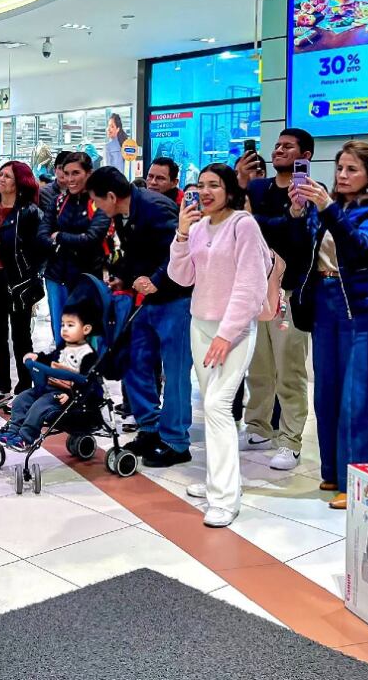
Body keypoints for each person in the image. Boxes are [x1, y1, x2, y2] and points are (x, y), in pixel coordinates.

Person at [290, 141, 368, 509]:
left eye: (352, 169)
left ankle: (361, 482)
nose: (342, 176)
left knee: (358, 397)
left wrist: (327, 208)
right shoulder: (327, 207)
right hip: (324, 301)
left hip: (363, 307)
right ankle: (333, 471)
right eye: (339, 168)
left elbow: (362, 248)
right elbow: (301, 251)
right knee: (327, 394)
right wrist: (297, 212)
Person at [168, 163, 269, 527]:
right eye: (201, 186)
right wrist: (181, 234)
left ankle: (225, 498)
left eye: (214, 185)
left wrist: (227, 334)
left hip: (235, 330)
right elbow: (181, 277)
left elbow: (250, 285)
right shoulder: (196, 228)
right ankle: (218, 480)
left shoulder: (243, 225)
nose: (206, 192)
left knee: (217, 405)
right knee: (213, 410)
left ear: (230, 189)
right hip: (201, 324)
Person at [88, 166, 193, 467]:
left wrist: (157, 280)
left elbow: (180, 250)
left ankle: (176, 441)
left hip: (175, 300)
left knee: (175, 372)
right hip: (144, 300)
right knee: (135, 360)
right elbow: (135, 255)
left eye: (97, 201)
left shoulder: (156, 207)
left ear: (111, 196)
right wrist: (123, 277)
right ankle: (149, 427)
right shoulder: (122, 213)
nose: (96, 207)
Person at [232, 128, 315, 470]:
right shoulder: (256, 187)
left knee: (289, 370)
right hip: (255, 289)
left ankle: (290, 439)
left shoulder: (310, 192)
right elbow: (243, 229)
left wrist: (271, 220)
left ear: (305, 156)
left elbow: (299, 240)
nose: (279, 150)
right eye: (277, 145)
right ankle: (257, 427)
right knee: (258, 366)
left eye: (288, 146)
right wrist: (277, 219)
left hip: (290, 289)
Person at [0, 161, 43, 409]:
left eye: (7, 176)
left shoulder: (28, 211)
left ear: (19, 182)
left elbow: (38, 248)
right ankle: (1, 388)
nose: (1, 179)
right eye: (0, 175)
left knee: (21, 336)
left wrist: (32, 276)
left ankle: (25, 389)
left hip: (18, 279)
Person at [0, 307, 97, 451]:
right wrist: (37, 357)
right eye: (63, 325)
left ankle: (26, 437)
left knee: (39, 406)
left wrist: (69, 394)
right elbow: (49, 358)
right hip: (46, 387)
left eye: (71, 326)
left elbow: (87, 382)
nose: (65, 329)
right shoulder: (63, 348)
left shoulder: (88, 355)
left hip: (64, 395)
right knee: (21, 400)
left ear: (85, 329)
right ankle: (13, 430)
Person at [39, 150, 110, 348]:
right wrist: (69, 240)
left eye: (76, 173)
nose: (70, 179)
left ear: (88, 173)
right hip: (55, 276)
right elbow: (42, 235)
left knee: (87, 337)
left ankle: (88, 378)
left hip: (86, 279)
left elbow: (91, 238)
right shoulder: (58, 202)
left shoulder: (100, 203)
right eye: (66, 173)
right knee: (61, 336)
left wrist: (60, 236)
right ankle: (64, 377)